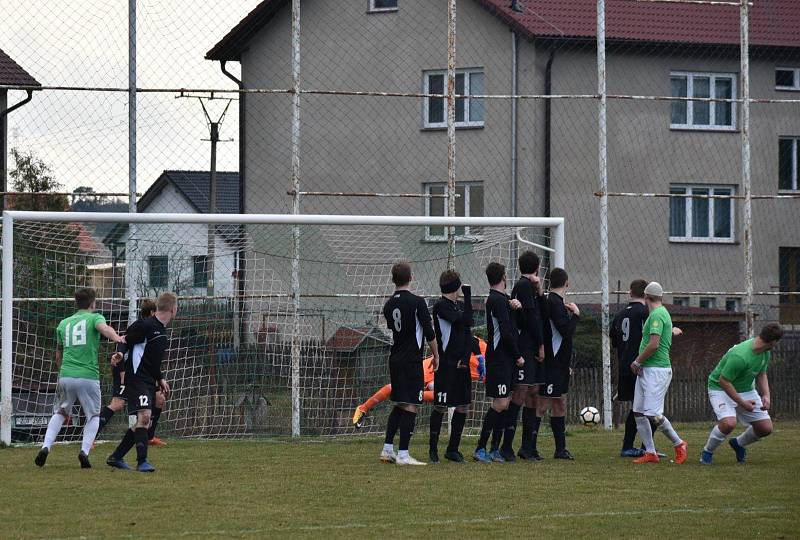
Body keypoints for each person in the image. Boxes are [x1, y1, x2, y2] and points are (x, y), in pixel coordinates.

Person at [34, 288, 125, 468]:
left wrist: (62, 373)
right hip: (88, 376)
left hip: (66, 375)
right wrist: (117, 338)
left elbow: (58, 354)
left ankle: (45, 447)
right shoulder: (94, 317)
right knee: (93, 416)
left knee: (60, 412)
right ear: (93, 303)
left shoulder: (63, 323)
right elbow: (104, 329)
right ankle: (84, 452)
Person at [106, 292, 176, 472]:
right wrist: (120, 354)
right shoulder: (145, 325)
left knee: (143, 421)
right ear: (173, 309)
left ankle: (116, 457)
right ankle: (142, 462)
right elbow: (124, 339)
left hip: (147, 379)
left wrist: (159, 378)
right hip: (136, 378)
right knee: (145, 416)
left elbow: (152, 361)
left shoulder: (161, 330)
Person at [380, 262, 439, 466]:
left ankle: (388, 449)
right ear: (411, 278)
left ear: (393, 279)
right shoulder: (417, 302)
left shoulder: (388, 305)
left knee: (400, 402)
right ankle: (404, 454)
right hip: (411, 359)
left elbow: (394, 327)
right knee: (411, 404)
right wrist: (436, 355)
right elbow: (429, 332)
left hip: (395, 358)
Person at [351, 339, 486, 427]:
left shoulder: (489, 358)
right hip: (432, 368)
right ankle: (363, 408)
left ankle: (416, 396)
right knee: (397, 387)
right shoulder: (481, 346)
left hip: (441, 376)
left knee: (444, 397)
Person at [701, 323, 783, 465]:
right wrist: (742, 403)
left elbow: (762, 373)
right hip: (719, 388)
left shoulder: (765, 352)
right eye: (777, 342)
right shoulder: (740, 356)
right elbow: (724, 381)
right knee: (728, 423)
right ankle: (707, 452)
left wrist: (766, 395)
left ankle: (738, 444)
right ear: (773, 341)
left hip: (745, 389)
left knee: (765, 428)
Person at [629, 282, 688, 465]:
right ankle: (650, 452)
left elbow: (654, 344)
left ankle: (679, 444)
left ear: (646, 297)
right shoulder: (661, 314)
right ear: (661, 297)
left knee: (654, 414)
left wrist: (637, 361)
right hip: (646, 370)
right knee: (638, 411)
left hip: (656, 370)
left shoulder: (656, 316)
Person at [94, 299, 164, 445]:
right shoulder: (139, 326)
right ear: (152, 313)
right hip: (126, 370)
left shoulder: (155, 328)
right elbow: (123, 343)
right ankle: (91, 437)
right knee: (117, 403)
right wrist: (121, 370)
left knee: (159, 398)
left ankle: (149, 437)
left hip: (144, 373)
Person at [474, 262, 524, 463]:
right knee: (500, 403)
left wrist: (516, 308)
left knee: (505, 404)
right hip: (499, 359)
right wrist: (518, 355)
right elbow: (505, 332)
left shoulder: (504, 300)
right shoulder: (496, 300)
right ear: (504, 277)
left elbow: (514, 325)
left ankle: (495, 448)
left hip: (506, 359)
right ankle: (480, 448)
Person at [501, 251, 546, 462]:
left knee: (533, 392)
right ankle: (506, 447)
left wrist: (540, 290)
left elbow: (539, 312)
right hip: (526, 348)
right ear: (537, 267)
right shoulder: (524, 286)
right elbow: (531, 319)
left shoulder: (529, 287)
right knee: (520, 393)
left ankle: (528, 447)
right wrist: (540, 345)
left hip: (529, 347)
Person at [429, 269, 474, 464]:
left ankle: (453, 449)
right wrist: (469, 298)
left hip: (461, 364)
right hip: (446, 364)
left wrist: (466, 358)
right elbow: (462, 320)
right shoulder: (440, 307)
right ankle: (433, 449)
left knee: (463, 405)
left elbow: (468, 326)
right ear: (455, 287)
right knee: (440, 405)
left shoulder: (460, 305)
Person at [534, 268, 579, 460]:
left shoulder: (556, 303)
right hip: (552, 364)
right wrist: (576, 314)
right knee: (543, 404)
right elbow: (566, 331)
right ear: (567, 283)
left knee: (560, 403)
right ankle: (529, 447)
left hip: (559, 365)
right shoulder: (554, 303)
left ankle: (560, 449)